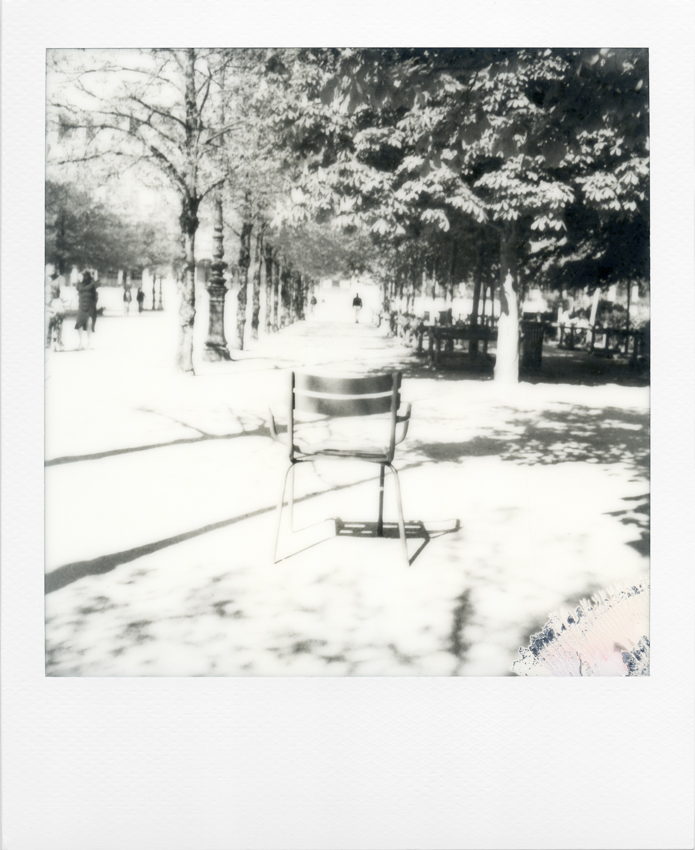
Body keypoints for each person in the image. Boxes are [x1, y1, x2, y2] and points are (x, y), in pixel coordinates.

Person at [75, 270, 98, 349]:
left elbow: (97, 285)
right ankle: (80, 343)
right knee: (79, 323)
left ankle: (89, 343)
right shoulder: (79, 284)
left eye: (81, 276)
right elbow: (77, 290)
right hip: (81, 305)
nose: (80, 278)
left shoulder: (92, 283)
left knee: (89, 323)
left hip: (90, 306)